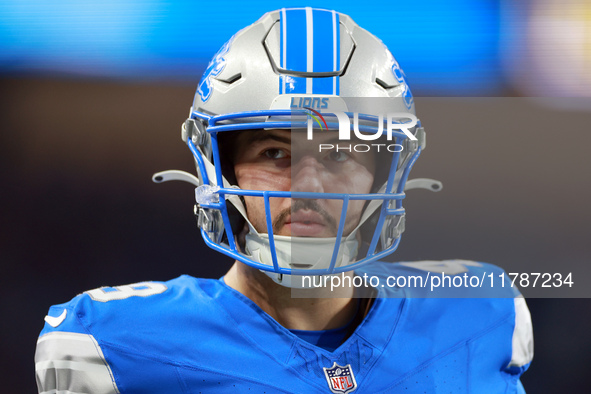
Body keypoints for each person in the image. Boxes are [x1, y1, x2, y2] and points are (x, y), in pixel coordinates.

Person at [35, 8, 533, 393]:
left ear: (385, 171)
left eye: (340, 154)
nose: (308, 185)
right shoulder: (114, 343)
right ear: (221, 165)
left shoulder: (481, 311)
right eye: (275, 153)